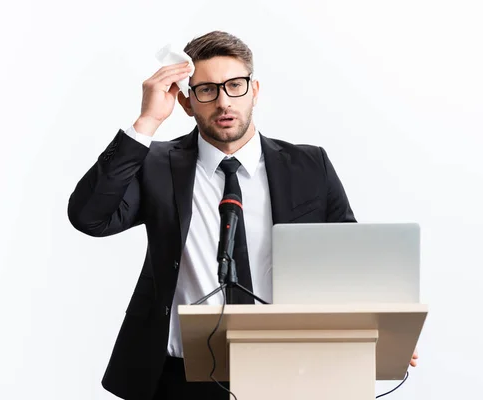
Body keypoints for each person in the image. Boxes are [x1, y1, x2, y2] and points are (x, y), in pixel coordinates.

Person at [68, 30, 418, 400]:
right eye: (206, 90)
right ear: (187, 102)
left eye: (235, 85)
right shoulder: (155, 164)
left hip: (288, 371)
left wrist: (381, 332)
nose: (223, 102)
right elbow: (90, 217)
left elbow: (348, 261)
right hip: (179, 378)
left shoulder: (309, 165)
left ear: (254, 90)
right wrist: (147, 122)